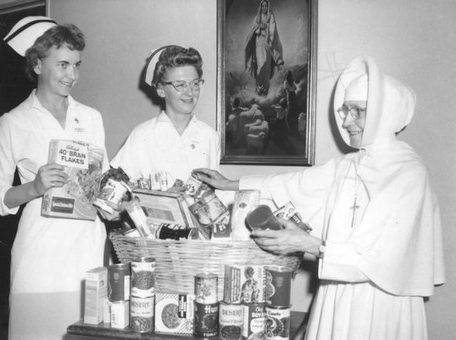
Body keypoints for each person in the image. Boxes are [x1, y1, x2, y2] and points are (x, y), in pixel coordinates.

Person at [194, 56, 445, 340]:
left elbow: (379, 258)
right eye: (346, 110)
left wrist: (307, 243)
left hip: (381, 301)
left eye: (358, 111)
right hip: (336, 291)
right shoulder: (349, 165)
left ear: (385, 113)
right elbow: (293, 184)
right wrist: (230, 184)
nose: (347, 120)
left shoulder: (409, 174)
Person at [0, 17, 109, 339]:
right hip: (40, 250)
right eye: (63, 64)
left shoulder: (91, 118)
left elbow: (104, 182)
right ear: (37, 65)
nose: (73, 75)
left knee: (86, 331)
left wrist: (115, 199)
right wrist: (34, 187)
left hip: (86, 246)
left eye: (77, 65)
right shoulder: (13, 122)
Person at [110, 45, 220, 187]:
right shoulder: (143, 134)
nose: (190, 92)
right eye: (180, 85)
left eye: (195, 83)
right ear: (161, 90)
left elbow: (216, 193)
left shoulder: (210, 136)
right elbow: (116, 186)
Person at [245, 0, 284, 97]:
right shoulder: (257, 17)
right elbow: (253, 29)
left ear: (268, 6)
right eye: (263, 6)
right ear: (261, 7)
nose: (264, 8)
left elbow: (272, 29)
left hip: (268, 44)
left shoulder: (271, 16)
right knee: (261, 65)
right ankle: (259, 88)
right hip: (259, 43)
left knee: (266, 65)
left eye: (266, 6)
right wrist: (259, 26)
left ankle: (265, 90)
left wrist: (270, 39)